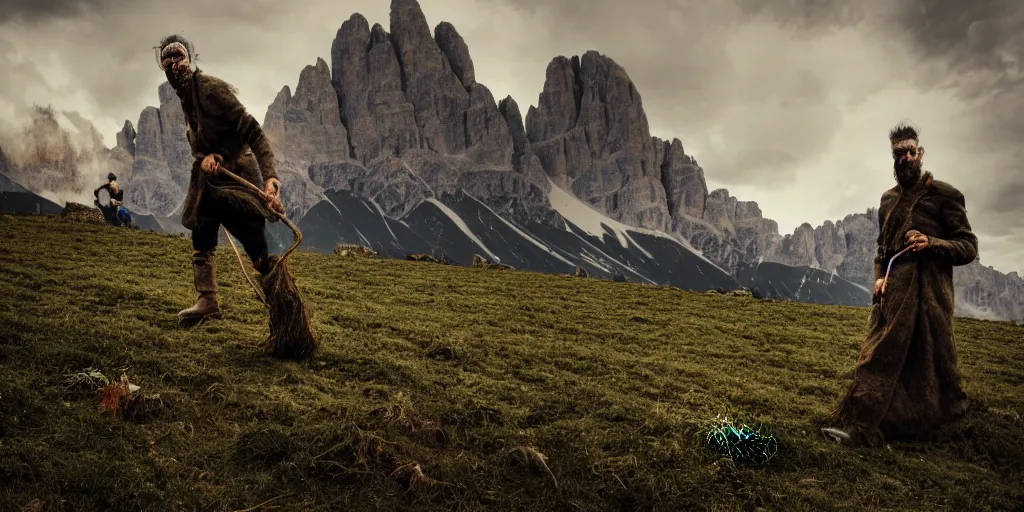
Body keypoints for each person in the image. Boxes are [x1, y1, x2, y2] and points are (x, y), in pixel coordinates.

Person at [823, 122, 979, 446]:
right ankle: (860, 423)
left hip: (930, 303)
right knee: (878, 357)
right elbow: (883, 249)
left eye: (911, 151)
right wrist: (879, 278)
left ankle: (923, 424)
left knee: (928, 369)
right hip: (892, 301)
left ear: (920, 153)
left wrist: (931, 243)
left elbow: (968, 247)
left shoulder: (945, 196)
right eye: (899, 153)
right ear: (893, 157)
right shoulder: (887, 200)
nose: (906, 158)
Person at [156, 35, 285, 326]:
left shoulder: (212, 90)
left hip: (239, 180)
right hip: (211, 183)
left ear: (190, 59)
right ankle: (207, 301)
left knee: (258, 253)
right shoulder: (186, 97)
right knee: (202, 235)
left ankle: (284, 308)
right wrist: (206, 157)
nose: (174, 63)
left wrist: (271, 178)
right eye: (168, 58)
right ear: (161, 64)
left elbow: (253, 133)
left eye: (179, 56)